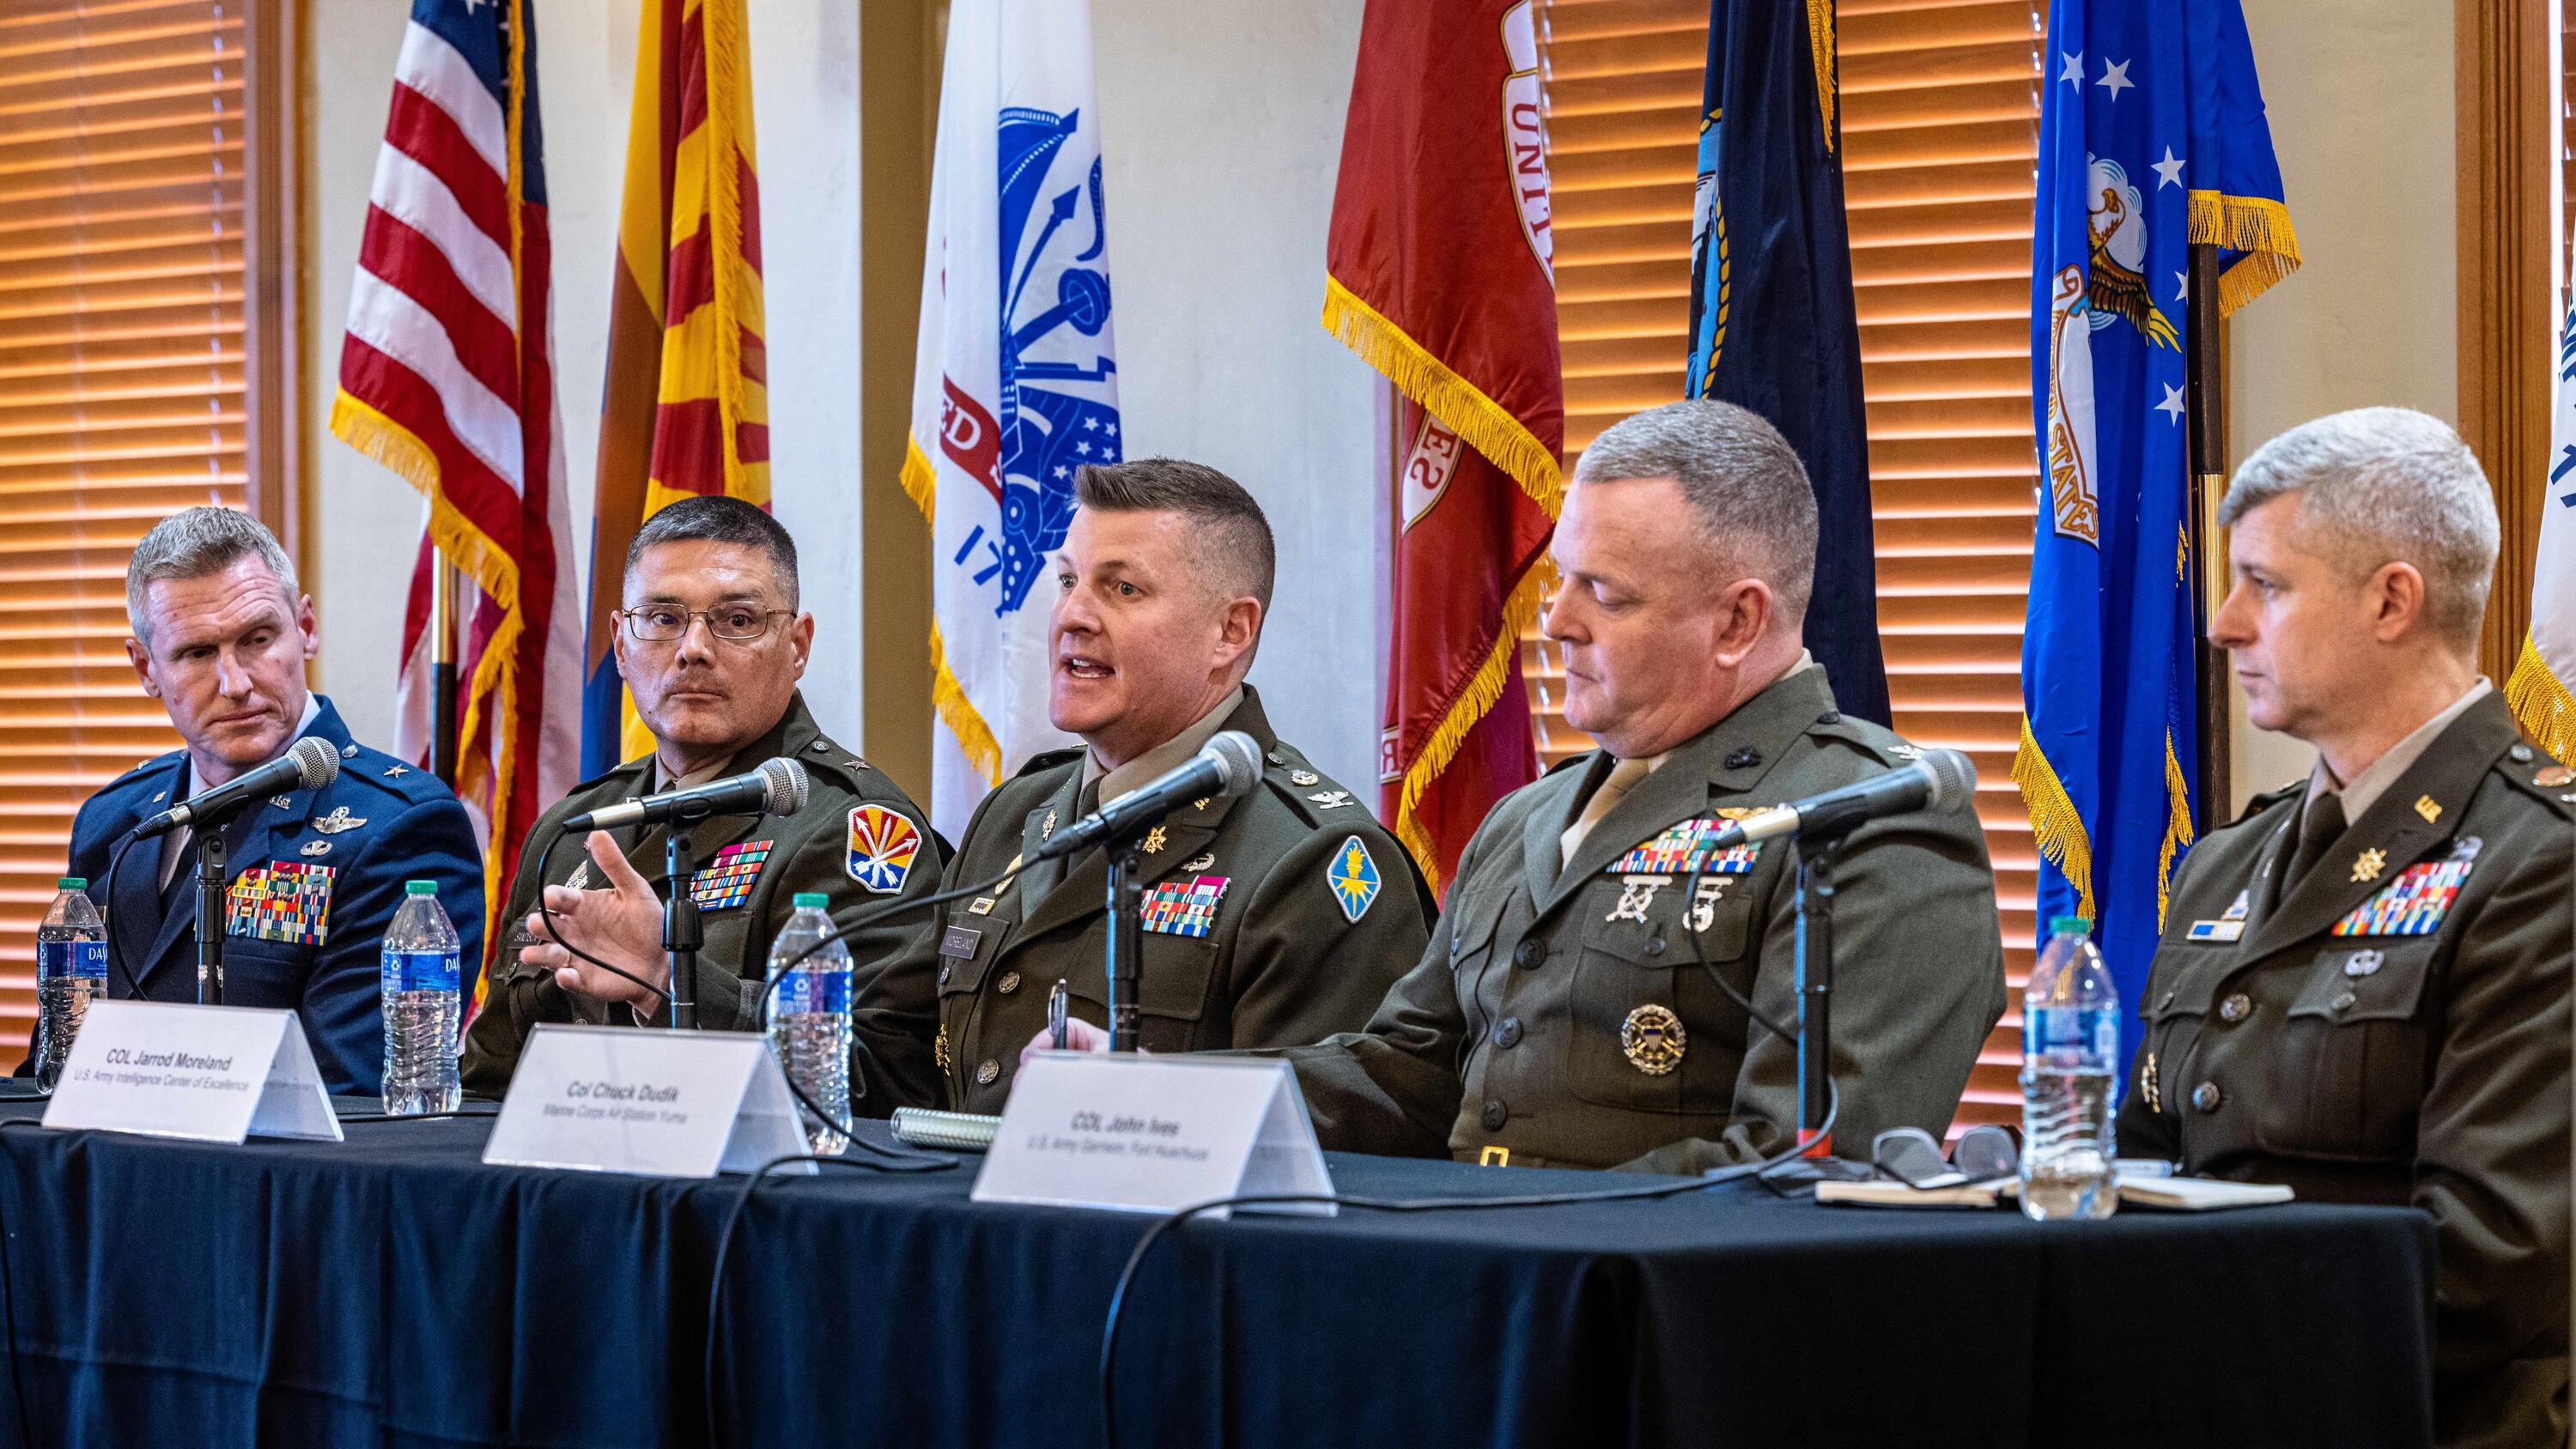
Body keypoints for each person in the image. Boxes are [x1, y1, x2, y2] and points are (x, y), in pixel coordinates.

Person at [1035, 402, 2007, 1173]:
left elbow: (1800, 1162)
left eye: (1606, 594)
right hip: (1486, 1312)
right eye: (1560, 582)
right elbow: (1402, 1075)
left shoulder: (1873, 819)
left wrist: (1511, 1229)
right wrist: (1155, 1095)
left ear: (1737, 621)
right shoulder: (1528, 817)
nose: (1556, 625)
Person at [2117, 408, 2568, 1449]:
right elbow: (2141, 1160)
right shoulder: (2225, 861)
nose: (2222, 623)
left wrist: (2158, 1334)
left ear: (2392, 600)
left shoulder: (2542, 859)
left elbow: (2488, 1260)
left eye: (2264, 584)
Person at [848, 458, 1432, 1114]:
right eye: (1068, 581)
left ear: (1229, 632)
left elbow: (1357, 1119)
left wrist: (1151, 1097)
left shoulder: (1311, 855)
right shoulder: (1014, 814)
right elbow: (895, 1061)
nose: (1072, 615)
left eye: (1122, 589)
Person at [459, 497, 941, 1094]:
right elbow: (489, 1080)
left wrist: (668, 980)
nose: (693, 648)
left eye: (737, 620)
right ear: (620, 644)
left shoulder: (853, 827)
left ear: (797, 645)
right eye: (662, 619)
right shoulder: (573, 828)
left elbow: (884, 1080)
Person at [61, 507, 483, 1096]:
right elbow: (60, 1061)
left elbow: (350, 1091)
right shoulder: (114, 822)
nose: (235, 683)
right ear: (146, 668)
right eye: (197, 654)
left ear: (305, 627)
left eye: (258, 640)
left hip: (274, 1183)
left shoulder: (400, 826)